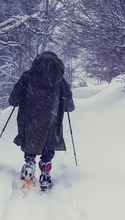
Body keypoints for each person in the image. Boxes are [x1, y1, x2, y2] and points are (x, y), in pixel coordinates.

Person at [8, 51, 75, 191]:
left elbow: (13, 99)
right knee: (48, 143)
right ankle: (45, 172)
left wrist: (18, 100)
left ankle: (29, 164)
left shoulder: (27, 77)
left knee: (31, 139)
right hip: (52, 118)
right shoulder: (60, 82)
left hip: (30, 118)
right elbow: (69, 106)